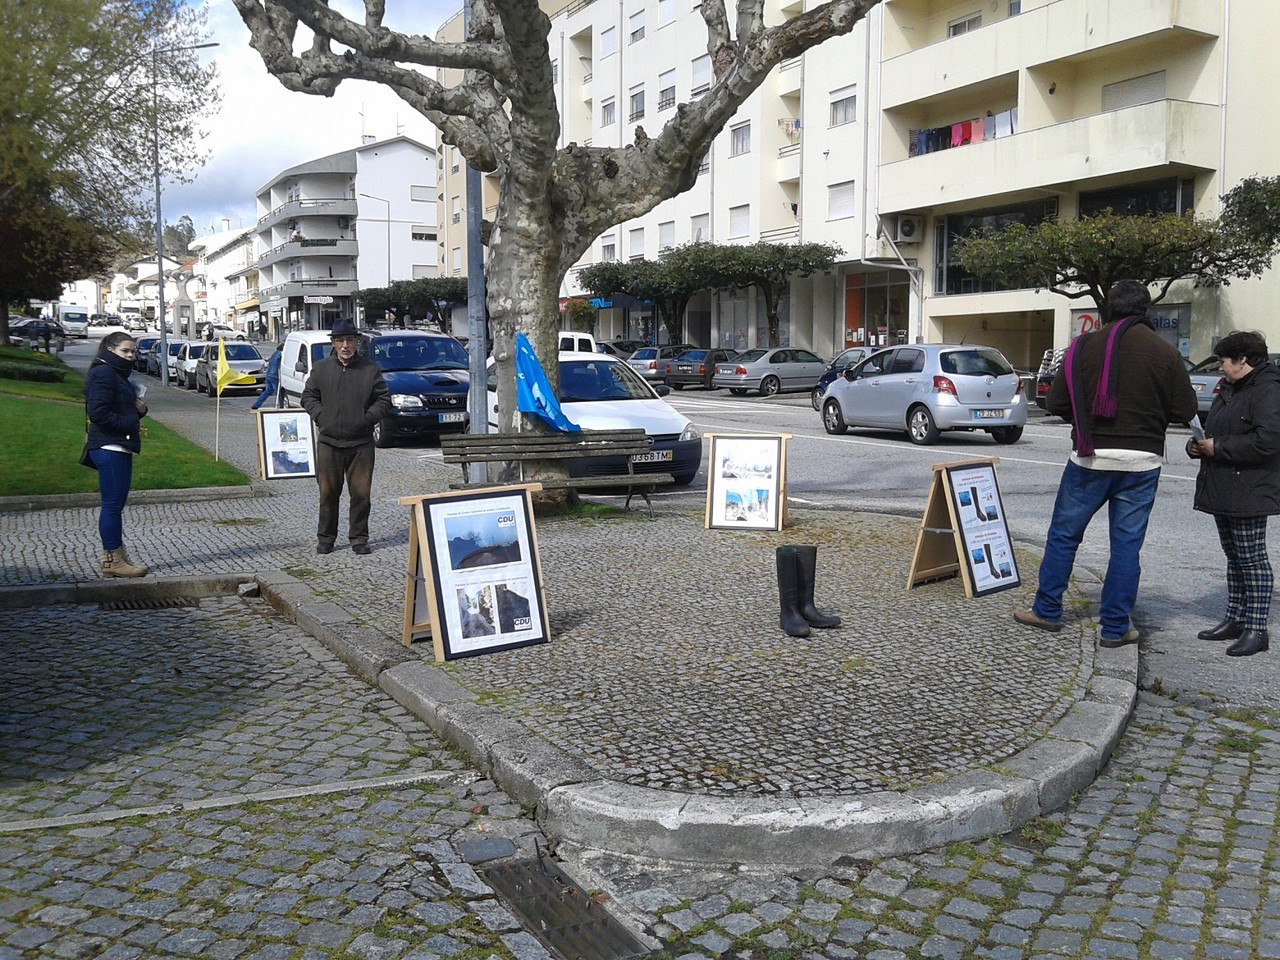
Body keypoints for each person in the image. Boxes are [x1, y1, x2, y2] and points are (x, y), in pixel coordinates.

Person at [1014, 280, 1197, 647]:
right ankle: (1115, 627)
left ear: (1108, 309)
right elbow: (1185, 409)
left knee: (1064, 537)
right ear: (1146, 310)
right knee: (1126, 546)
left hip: (1089, 456)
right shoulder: (1164, 352)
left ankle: (1047, 610)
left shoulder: (1082, 347)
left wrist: (1086, 423)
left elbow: (1057, 404)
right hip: (1142, 462)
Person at [1185, 331, 1280, 657]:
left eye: (1224, 361)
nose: (1221, 367)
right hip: (1225, 482)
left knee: (1252, 558)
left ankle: (1256, 628)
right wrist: (1198, 445)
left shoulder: (1268, 390)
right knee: (1234, 556)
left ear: (1243, 360)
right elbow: (1215, 426)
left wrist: (1219, 447)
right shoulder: (1231, 387)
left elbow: (1267, 441)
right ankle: (1235, 618)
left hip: (1251, 486)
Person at [301, 319, 391, 555]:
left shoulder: (370, 370)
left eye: (349, 340)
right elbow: (308, 396)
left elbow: (384, 400)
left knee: (361, 495)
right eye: (340, 340)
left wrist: (366, 419)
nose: (345, 345)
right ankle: (326, 538)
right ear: (333, 343)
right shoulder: (321, 368)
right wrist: (322, 416)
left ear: (356, 342)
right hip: (329, 443)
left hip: (361, 444)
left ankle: (359, 538)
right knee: (328, 494)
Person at [84, 331, 149, 578]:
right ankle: (112, 559)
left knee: (115, 505)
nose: (131, 356)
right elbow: (98, 413)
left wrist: (139, 411)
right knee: (112, 506)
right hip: (110, 447)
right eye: (125, 351)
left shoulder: (115, 373)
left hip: (116, 445)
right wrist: (131, 421)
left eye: (133, 351)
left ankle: (117, 556)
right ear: (111, 349)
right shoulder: (104, 373)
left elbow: (118, 408)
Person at [250, 342, 283, 410]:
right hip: (275, 375)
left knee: (268, 390)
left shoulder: (274, 354)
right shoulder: (281, 354)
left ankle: (256, 404)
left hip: (269, 375)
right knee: (279, 392)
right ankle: (281, 405)